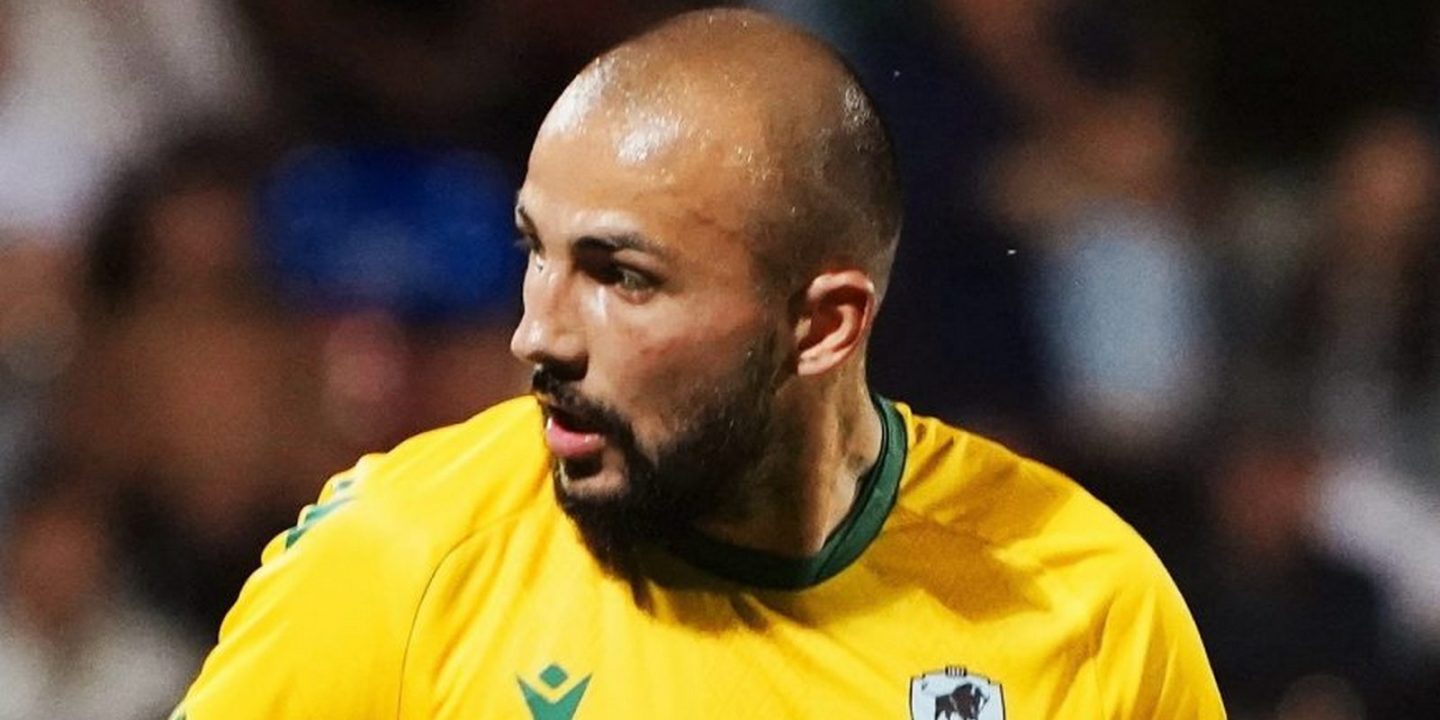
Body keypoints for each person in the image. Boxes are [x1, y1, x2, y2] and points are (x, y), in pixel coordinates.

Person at [173, 9, 1224, 719]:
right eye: (536, 253)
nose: (540, 335)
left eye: (623, 277)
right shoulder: (398, 560)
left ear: (823, 326)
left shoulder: (1084, 603)